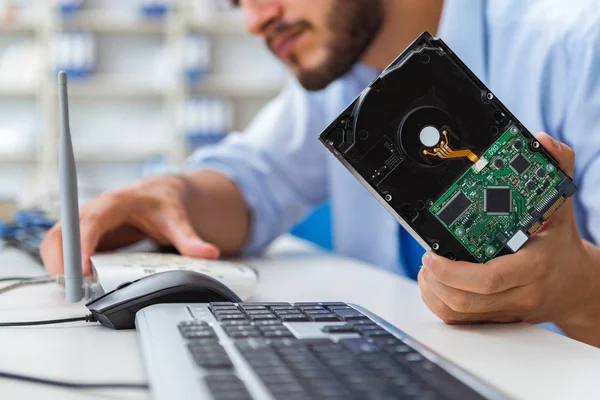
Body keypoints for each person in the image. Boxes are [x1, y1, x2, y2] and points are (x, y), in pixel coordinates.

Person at [41, 0, 600, 347]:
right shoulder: (339, 81)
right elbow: (247, 183)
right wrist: (164, 195)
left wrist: (575, 291)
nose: (256, 19)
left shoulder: (578, 42)